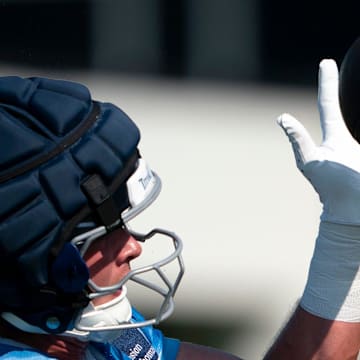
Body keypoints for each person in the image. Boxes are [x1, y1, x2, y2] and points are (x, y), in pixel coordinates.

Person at [0, 55, 359, 360]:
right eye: (98, 236)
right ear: (32, 271)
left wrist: (346, 230)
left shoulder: (83, 338)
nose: (132, 246)